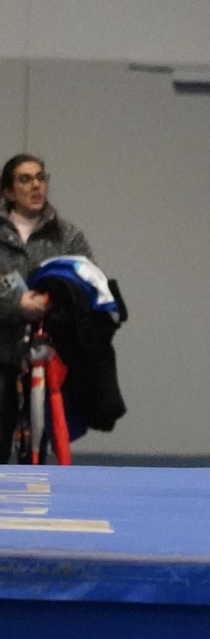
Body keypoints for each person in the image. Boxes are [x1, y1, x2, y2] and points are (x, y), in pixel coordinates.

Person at [0, 154, 93, 462]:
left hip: (49, 354)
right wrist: (16, 304)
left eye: (41, 177)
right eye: (25, 179)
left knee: (41, 449)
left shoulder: (68, 236)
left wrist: (49, 303)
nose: (36, 185)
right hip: (3, 352)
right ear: (9, 192)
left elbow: (87, 284)